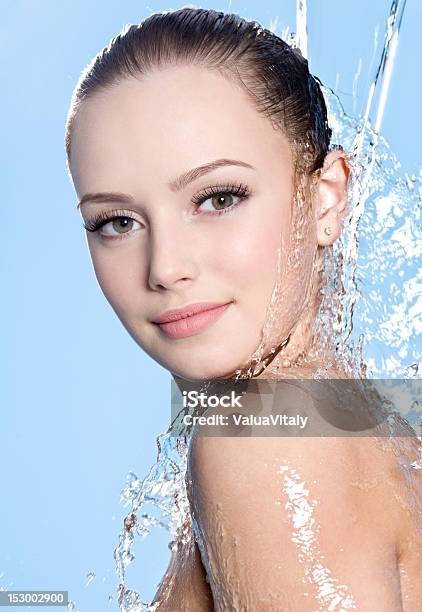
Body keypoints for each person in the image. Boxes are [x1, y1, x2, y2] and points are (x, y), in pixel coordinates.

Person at [65, 7, 422, 610]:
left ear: (326, 198)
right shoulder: (374, 426)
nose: (165, 267)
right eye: (117, 221)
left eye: (218, 197)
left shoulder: (260, 440)